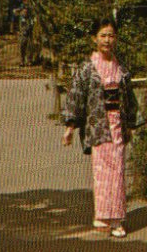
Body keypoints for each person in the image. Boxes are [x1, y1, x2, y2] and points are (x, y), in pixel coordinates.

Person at [61, 18, 140, 238]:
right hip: (98, 126)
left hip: (117, 124)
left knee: (118, 172)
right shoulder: (87, 68)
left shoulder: (121, 66)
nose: (107, 40)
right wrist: (69, 127)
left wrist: (131, 123)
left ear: (116, 38)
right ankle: (103, 215)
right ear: (94, 38)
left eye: (111, 35)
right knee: (102, 173)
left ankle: (117, 219)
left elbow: (129, 98)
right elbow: (76, 96)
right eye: (103, 35)